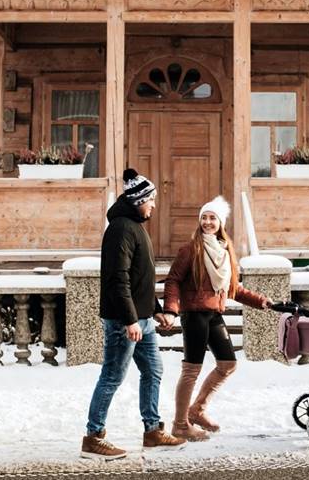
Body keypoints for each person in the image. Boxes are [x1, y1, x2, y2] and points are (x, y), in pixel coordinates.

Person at [81, 168, 185, 460]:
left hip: (143, 320)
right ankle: (93, 437)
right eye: (150, 199)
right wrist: (129, 320)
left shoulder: (135, 226)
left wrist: (156, 311)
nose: (154, 204)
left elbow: (140, 279)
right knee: (112, 376)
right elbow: (118, 279)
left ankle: (152, 431)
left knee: (153, 370)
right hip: (123, 320)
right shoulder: (121, 229)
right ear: (139, 199)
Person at [162, 196, 270, 441]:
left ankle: (197, 409)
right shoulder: (190, 250)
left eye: (212, 218)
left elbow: (234, 288)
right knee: (191, 370)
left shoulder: (224, 251)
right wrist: (171, 309)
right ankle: (180, 424)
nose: (207, 222)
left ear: (220, 222)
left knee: (227, 364)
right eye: (204, 217)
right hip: (194, 315)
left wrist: (260, 301)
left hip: (214, 314)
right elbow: (173, 281)